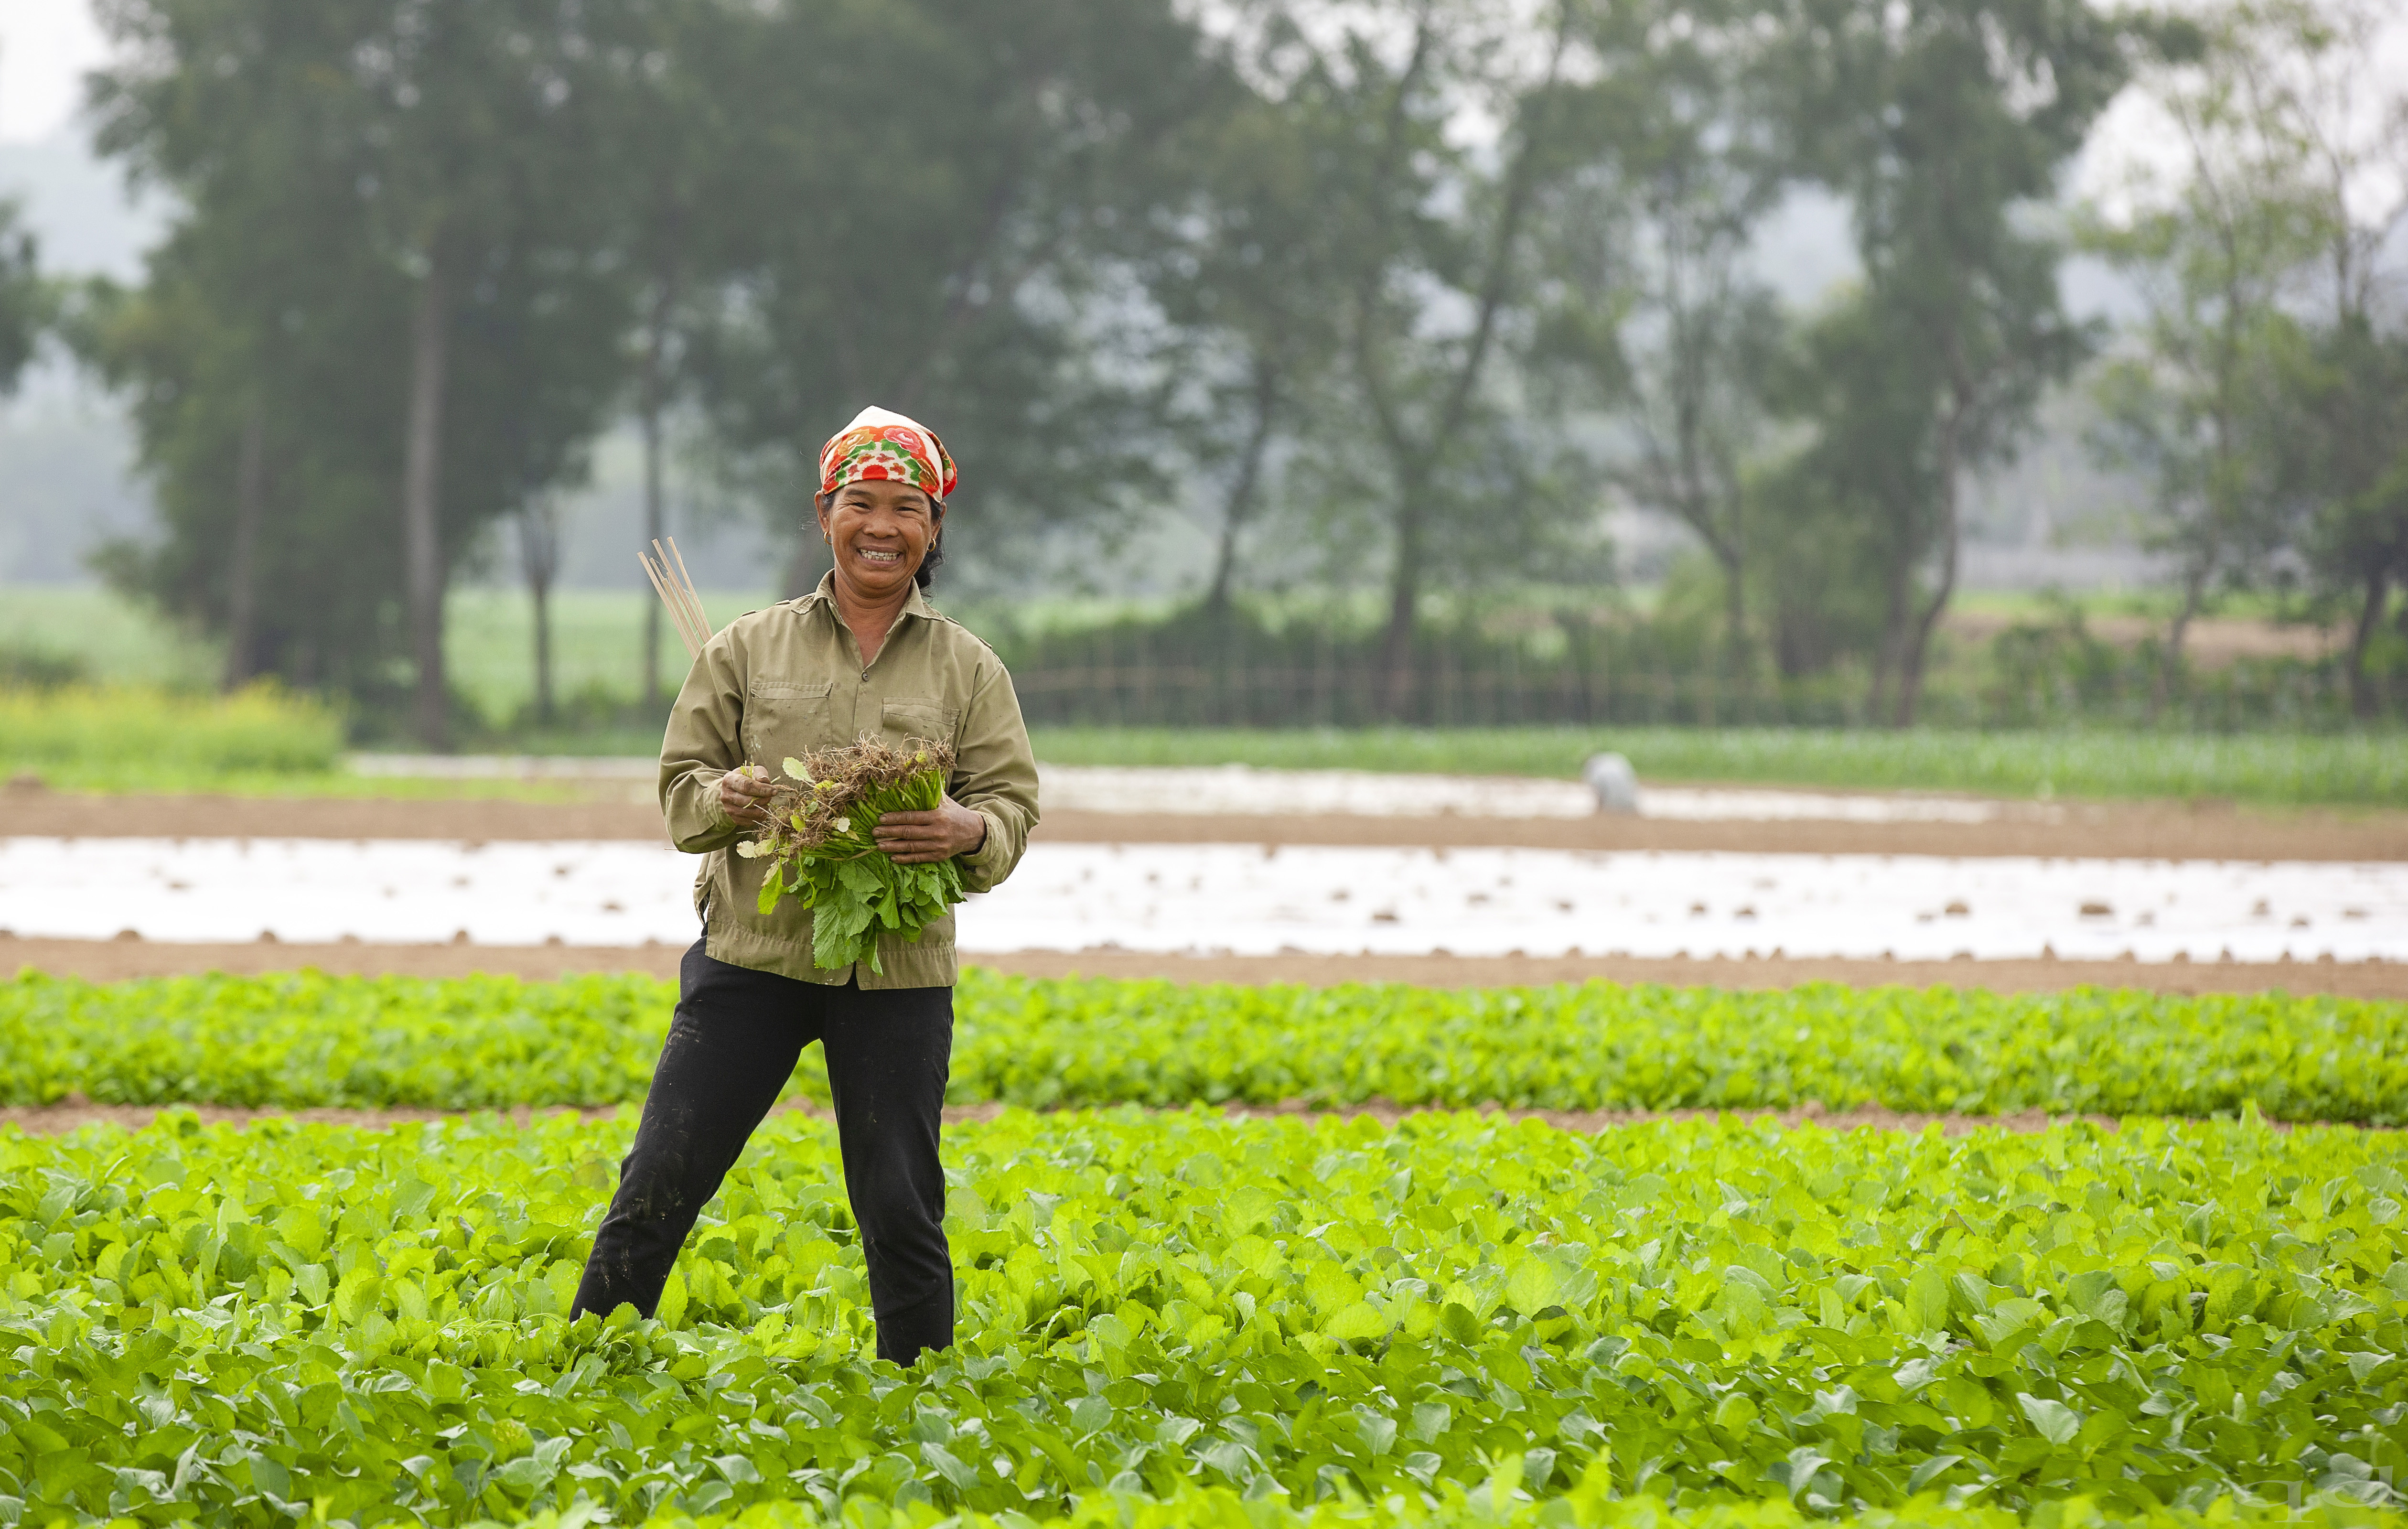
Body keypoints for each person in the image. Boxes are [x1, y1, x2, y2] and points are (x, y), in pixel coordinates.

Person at [571, 405, 1040, 1366]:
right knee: (663, 1173)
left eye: (905, 508)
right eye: (860, 504)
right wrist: (730, 796)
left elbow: (1010, 806)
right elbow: (681, 795)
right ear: (825, 514)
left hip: (898, 972)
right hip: (753, 958)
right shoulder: (744, 649)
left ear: (934, 527)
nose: (882, 525)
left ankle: (920, 1394)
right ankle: (585, 1367)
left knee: (902, 1199)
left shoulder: (969, 667)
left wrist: (966, 828)